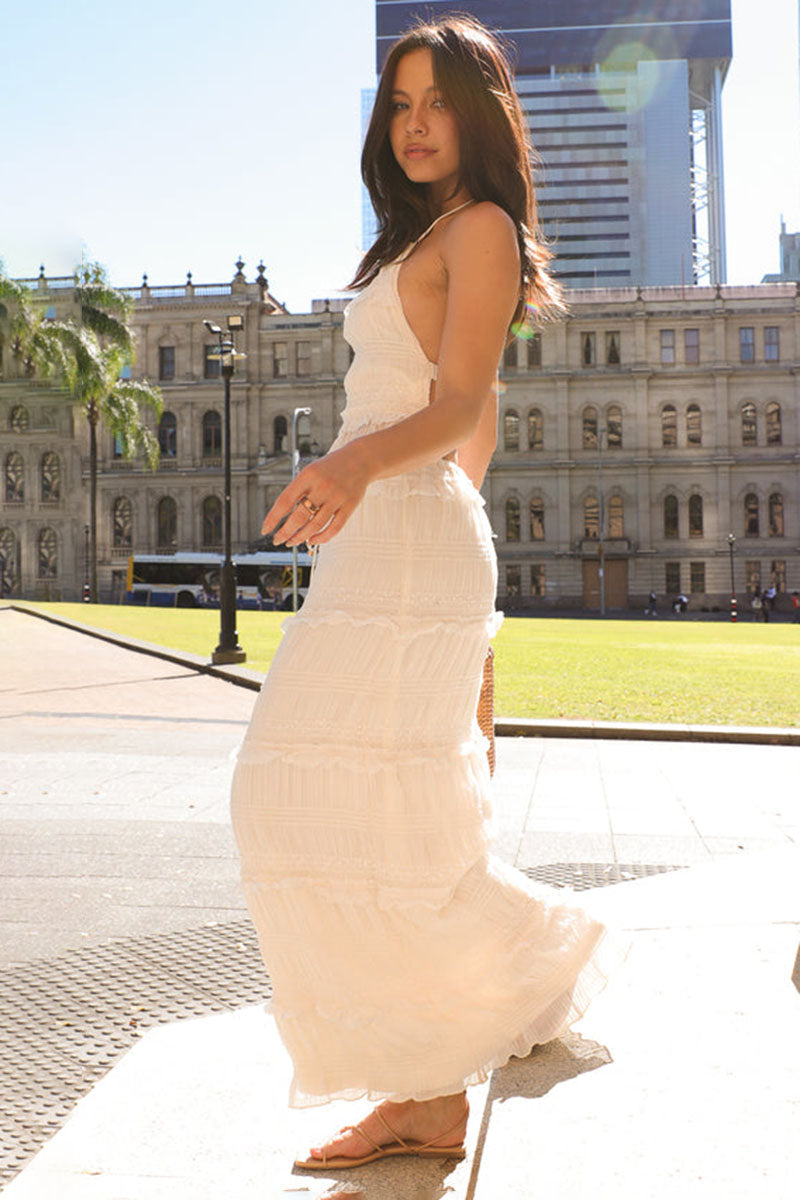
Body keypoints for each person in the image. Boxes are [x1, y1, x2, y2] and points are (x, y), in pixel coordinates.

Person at [230, 15, 617, 1174]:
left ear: (479, 115)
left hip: (403, 530)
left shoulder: (486, 226)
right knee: (336, 801)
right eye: (397, 105)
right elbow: (459, 418)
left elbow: (462, 402)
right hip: (386, 538)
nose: (412, 125)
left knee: (343, 803)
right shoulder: (420, 241)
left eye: (436, 103)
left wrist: (358, 473)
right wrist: (410, 517)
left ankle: (429, 1088)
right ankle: (504, 991)